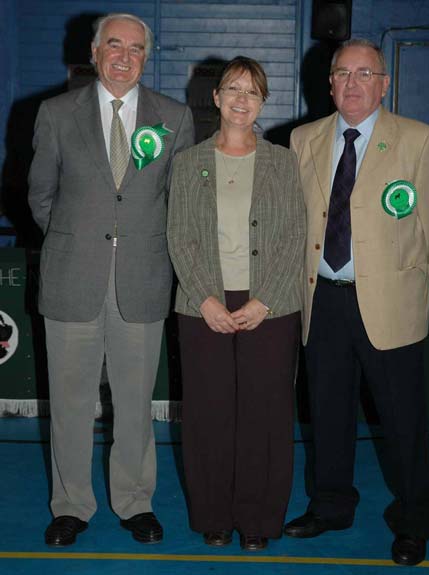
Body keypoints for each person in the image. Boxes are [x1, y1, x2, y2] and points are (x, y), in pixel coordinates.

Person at [284, 39, 429, 566]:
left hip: (389, 302)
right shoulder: (301, 139)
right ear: (329, 83)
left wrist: (402, 277)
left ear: (384, 84)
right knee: (329, 413)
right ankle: (331, 506)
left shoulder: (419, 139)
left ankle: (413, 521)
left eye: (365, 74)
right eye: (343, 73)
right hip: (323, 302)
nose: (353, 83)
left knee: (403, 421)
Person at [28, 13, 194, 546]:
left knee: (135, 403)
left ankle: (134, 501)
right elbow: (41, 196)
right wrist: (81, 239)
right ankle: (71, 505)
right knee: (71, 403)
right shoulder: (55, 114)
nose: (125, 57)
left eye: (137, 49)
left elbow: (179, 199)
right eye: (114, 46)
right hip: (73, 279)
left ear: (149, 57)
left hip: (142, 281)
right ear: (95, 52)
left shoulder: (175, 116)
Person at [167, 56, 305, 551]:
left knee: (265, 416)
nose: (241, 99)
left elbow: (294, 236)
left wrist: (264, 300)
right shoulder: (188, 163)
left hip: (271, 304)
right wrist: (205, 298)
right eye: (233, 89)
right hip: (202, 304)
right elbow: (179, 237)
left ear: (263, 102)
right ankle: (214, 516)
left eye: (253, 91)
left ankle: (259, 520)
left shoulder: (284, 161)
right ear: (216, 97)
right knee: (209, 413)